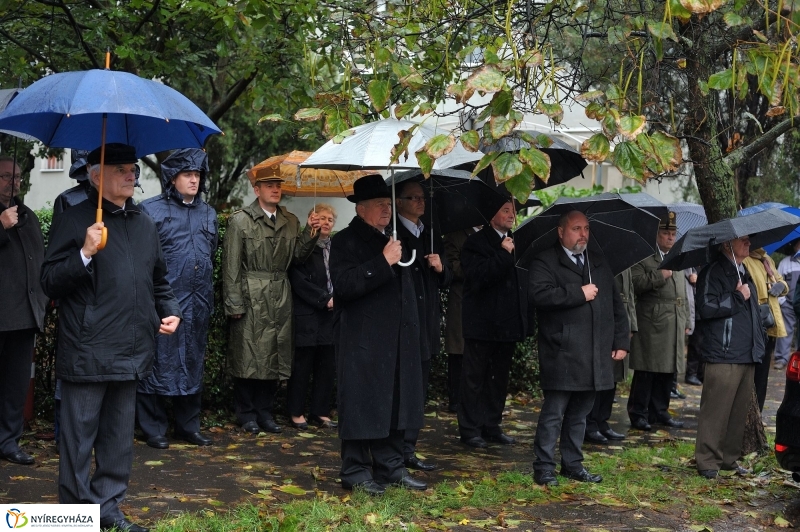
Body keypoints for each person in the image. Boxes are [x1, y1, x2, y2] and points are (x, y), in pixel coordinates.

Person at [41, 143, 181, 532]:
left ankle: (108, 509)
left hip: (132, 349)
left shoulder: (144, 222)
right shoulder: (74, 219)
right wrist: (84, 253)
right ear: (95, 175)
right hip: (87, 349)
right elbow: (49, 281)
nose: (131, 174)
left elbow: (158, 279)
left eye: (132, 168)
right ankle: (74, 517)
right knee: (77, 442)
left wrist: (169, 309)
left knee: (118, 441)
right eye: (120, 169)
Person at [330, 174, 426, 496]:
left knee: (395, 402)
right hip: (363, 339)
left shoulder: (395, 238)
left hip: (396, 338)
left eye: (389, 204)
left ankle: (391, 466)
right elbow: (345, 286)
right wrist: (383, 261)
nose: (387, 210)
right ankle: (355, 471)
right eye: (380, 204)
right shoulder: (345, 241)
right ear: (361, 208)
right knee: (362, 403)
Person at [529, 210, 629, 486]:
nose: (583, 234)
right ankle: (544, 467)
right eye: (576, 229)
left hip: (595, 352)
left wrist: (621, 340)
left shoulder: (597, 261)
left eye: (586, 228)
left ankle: (572, 464)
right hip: (562, 351)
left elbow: (615, 303)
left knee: (581, 413)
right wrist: (578, 293)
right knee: (554, 413)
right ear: (561, 232)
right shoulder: (545, 260)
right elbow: (539, 295)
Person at [223, 168, 320, 434]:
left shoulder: (290, 220)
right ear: (257, 190)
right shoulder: (240, 221)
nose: (275, 189)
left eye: (278, 185)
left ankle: (265, 412)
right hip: (251, 293)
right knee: (248, 355)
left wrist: (311, 232)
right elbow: (231, 265)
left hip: (280, 294)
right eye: (269, 185)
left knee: (275, 354)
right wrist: (234, 303)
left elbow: (297, 257)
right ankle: (246, 413)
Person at [136, 149, 218, 449]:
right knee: (158, 360)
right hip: (164, 300)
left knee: (193, 359)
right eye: (188, 175)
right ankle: (153, 428)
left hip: (199, 301)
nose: (194, 180)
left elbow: (211, 251)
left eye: (197, 175)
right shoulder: (150, 210)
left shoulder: (208, 213)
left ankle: (188, 426)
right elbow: (143, 259)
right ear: (173, 178)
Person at [694, 235, 765, 479]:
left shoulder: (743, 271)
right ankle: (707, 461)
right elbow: (705, 308)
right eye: (743, 240)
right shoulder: (712, 271)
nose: (748, 244)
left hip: (746, 352)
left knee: (737, 412)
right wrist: (737, 296)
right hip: (722, 353)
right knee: (716, 411)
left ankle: (728, 459)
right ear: (727, 245)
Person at [458, 201, 527, 449]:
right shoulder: (475, 242)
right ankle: (470, 429)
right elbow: (479, 276)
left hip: (507, 324)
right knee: (474, 378)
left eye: (513, 210)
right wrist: (503, 254)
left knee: (498, 379)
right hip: (482, 323)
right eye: (505, 210)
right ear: (491, 214)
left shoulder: (516, 241)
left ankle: (492, 425)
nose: (511, 215)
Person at [394, 180, 452, 471]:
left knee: (420, 387)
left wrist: (441, 269)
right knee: (402, 387)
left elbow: (446, 279)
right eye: (413, 197)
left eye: (422, 197)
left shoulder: (429, 234)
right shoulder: (394, 233)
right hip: (404, 322)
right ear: (399, 201)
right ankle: (396, 449)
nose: (420, 202)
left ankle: (410, 447)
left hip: (427, 319)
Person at [0, 157, 48, 466]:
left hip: (23, 316)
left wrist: (42, 300)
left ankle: (8, 441)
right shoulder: (7, 218)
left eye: (17, 176)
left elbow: (39, 260)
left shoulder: (27, 216)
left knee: (16, 386)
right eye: (6, 176)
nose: (13, 182)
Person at [627, 211, 690, 431]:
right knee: (647, 369)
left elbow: (682, 292)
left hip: (674, 320)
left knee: (668, 370)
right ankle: (638, 413)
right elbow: (634, 283)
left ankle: (660, 411)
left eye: (673, 233)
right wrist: (659, 276)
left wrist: (687, 319)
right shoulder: (644, 256)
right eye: (665, 233)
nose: (670, 237)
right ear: (656, 234)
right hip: (652, 321)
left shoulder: (678, 257)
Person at [286, 204, 338, 430]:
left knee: (327, 365)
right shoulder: (302, 247)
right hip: (308, 312)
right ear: (311, 220)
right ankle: (296, 411)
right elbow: (297, 279)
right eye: (321, 218)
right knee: (302, 365)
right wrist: (324, 298)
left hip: (331, 315)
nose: (326, 222)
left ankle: (320, 411)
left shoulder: (336, 248)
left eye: (330, 219)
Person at [584, 267, 635, 444]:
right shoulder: (590, 264)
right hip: (596, 322)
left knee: (611, 376)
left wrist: (630, 327)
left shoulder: (616, 263)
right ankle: (590, 423)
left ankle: (602, 420)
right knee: (597, 377)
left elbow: (627, 297)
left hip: (614, 322)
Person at [742, 247, 787, 411]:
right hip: (754, 324)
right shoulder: (744, 259)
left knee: (762, 376)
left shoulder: (767, 259)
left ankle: (757, 413)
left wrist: (781, 286)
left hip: (770, 324)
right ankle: (746, 413)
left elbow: (781, 280)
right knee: (751, 375)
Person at [443, 226, 479, 413]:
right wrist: (480, 267)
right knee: (458, 352)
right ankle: (456, 399)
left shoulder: (493, 235)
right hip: (462, 300)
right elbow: (452, 266)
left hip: (483, 303)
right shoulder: (455, 235)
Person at [775, 239, 800, 369]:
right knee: (785, 331)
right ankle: (781, 358)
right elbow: (778, 282)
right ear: (794, 246)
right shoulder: (785, 263)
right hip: (788, 304)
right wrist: (782, 301)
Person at [684, 267, 704, 385]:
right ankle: (691, 373)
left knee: (702, 343)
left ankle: (699, 373)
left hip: (701, 306)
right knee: (696, 343)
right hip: (694, 306)